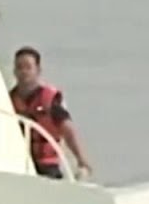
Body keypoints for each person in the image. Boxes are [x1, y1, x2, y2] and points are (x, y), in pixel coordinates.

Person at [9, 46, 93, 180]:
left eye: (28, 67)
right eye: (19, 67)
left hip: (46, 165)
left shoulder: (49, 99)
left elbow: (68, 130)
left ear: (38, 70)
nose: (23, 72)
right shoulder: (8, 99)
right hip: (17, 162)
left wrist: (82, 160)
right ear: (14, 71)